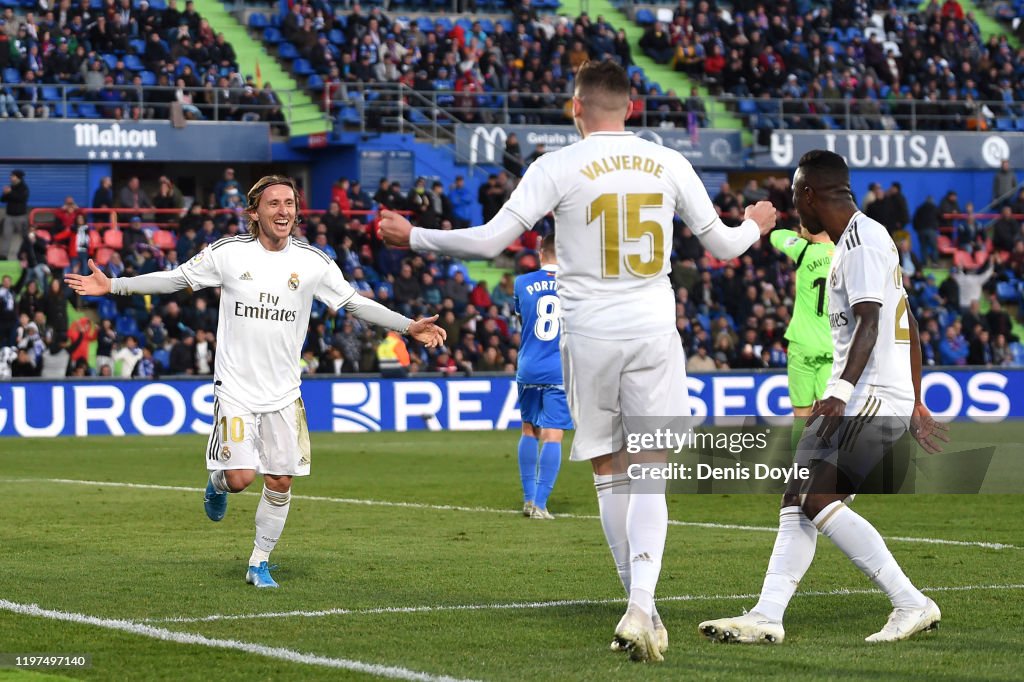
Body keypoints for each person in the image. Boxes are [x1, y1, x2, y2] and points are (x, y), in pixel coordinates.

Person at [379, 60, 777, 662]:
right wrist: (753, 225)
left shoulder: (557, 165)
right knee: (650, 470)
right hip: (651, 331)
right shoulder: (668, 162)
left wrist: (415, 238)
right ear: (632, 108)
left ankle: (642, 608)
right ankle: (641, 604)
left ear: (575, 108)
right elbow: (722, 247)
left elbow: (490, 241)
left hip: (587, 336)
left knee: (610, 474)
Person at [66, 175, 446, 589]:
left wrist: (408, 326)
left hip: (285, 391)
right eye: (273, 204)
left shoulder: (314, 261)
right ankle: (216, 482)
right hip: (236, 389)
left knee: (280, 481)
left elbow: (354, 303)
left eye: (290, 203)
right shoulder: (228, 254)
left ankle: (258, 561)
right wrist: (115, 285)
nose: (283, 211)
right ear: (254, 213)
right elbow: (176, 279)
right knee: (240, 477)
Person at [699, 150, 947, 646]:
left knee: (817, 497)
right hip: (864, 393)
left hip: (868, 396)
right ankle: (767, 614)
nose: (795, 208)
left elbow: (874, 323)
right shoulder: (862, 240)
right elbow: (910, 324)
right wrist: (917, 400)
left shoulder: (859, 243)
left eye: (795, 196)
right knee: (798, 497)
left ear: (811, 193)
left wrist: (840, 392)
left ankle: (911, 602)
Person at [513, 234, 573, 520]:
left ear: (540, 252)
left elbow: (523, 317)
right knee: (553, 434)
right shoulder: (577, 284)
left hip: (528, 365)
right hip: (559, 368)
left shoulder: (521, 282)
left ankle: (527, 500)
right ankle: (539, 503)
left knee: (529, 429)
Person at [769, 225, 834, 420]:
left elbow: (775, 235)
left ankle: (800, 451)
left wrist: (801, 236)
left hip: (801, 343)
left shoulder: (803, 249)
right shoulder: (844, 255)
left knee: (801, 415)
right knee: (829, 416)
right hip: (832, 346)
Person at [1, 169, 29, 260]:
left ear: (18, 178)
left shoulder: (24, 188)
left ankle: (27, 254)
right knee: (6, 236)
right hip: (9, 216)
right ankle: (3, 255)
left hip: (21, 217)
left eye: (13, 176)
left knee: (24, 236)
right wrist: (5, 194)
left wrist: (10, 193)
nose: (11, 178)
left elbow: (21, 198)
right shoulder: (11, 187)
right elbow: (3, 200)